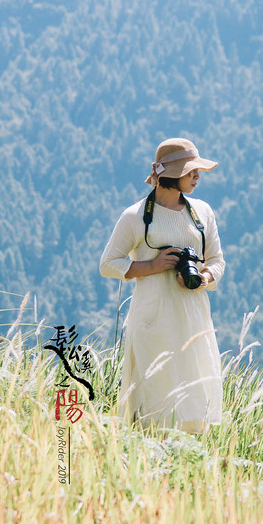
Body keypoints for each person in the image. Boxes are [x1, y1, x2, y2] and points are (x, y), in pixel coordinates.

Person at [99, 137, 226, 434]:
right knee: (154, 399)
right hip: (152, 321)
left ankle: (183, 467)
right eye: (190, 170)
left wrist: (203, 279)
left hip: (193, 320)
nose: (197, 176)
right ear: (171, 173)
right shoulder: (134, 217)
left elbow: (217, 260)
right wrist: (152, 266)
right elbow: (107, 264)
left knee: (193, 396)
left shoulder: (203, 212)